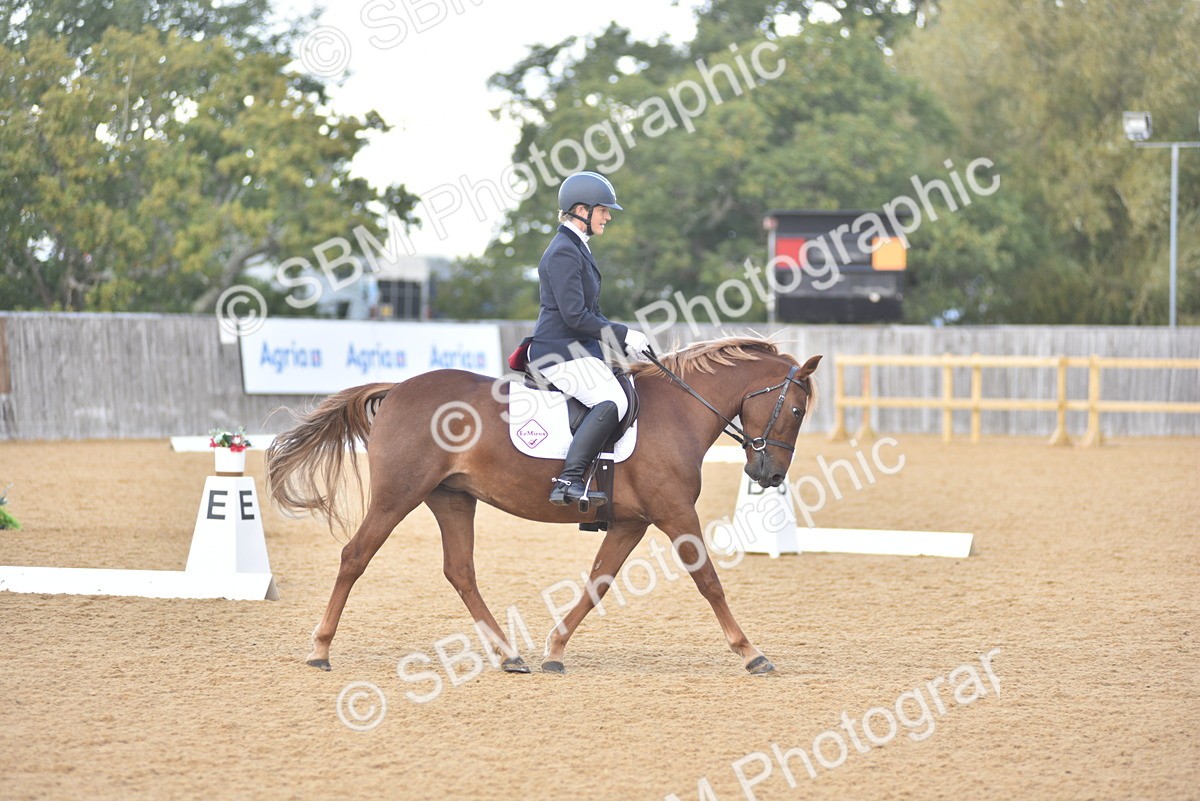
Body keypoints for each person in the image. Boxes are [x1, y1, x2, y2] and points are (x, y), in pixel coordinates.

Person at [527, 171, 650, 507]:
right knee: (613, 401)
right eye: (603, 210)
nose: (608, 216)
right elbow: (575, 316)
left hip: (577, 349)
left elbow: (589, 312)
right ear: (581, 209)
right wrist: (623, 333)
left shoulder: (576, 247)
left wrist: (623, 342)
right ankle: (568, 480)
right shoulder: (565, 251)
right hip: (558, 352)